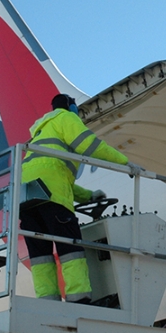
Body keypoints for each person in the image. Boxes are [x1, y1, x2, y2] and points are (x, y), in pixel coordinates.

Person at [20, 93, 136, 303]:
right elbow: (90, 146)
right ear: (69, 105)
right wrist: (124, 163)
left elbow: (56, 177)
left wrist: (89, 196)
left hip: (27, 197)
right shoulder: (65, 117)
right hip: (52, 197)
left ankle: (47, 300)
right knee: (69, 248)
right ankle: (78, 298)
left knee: (40, 254)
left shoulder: (39, 133)